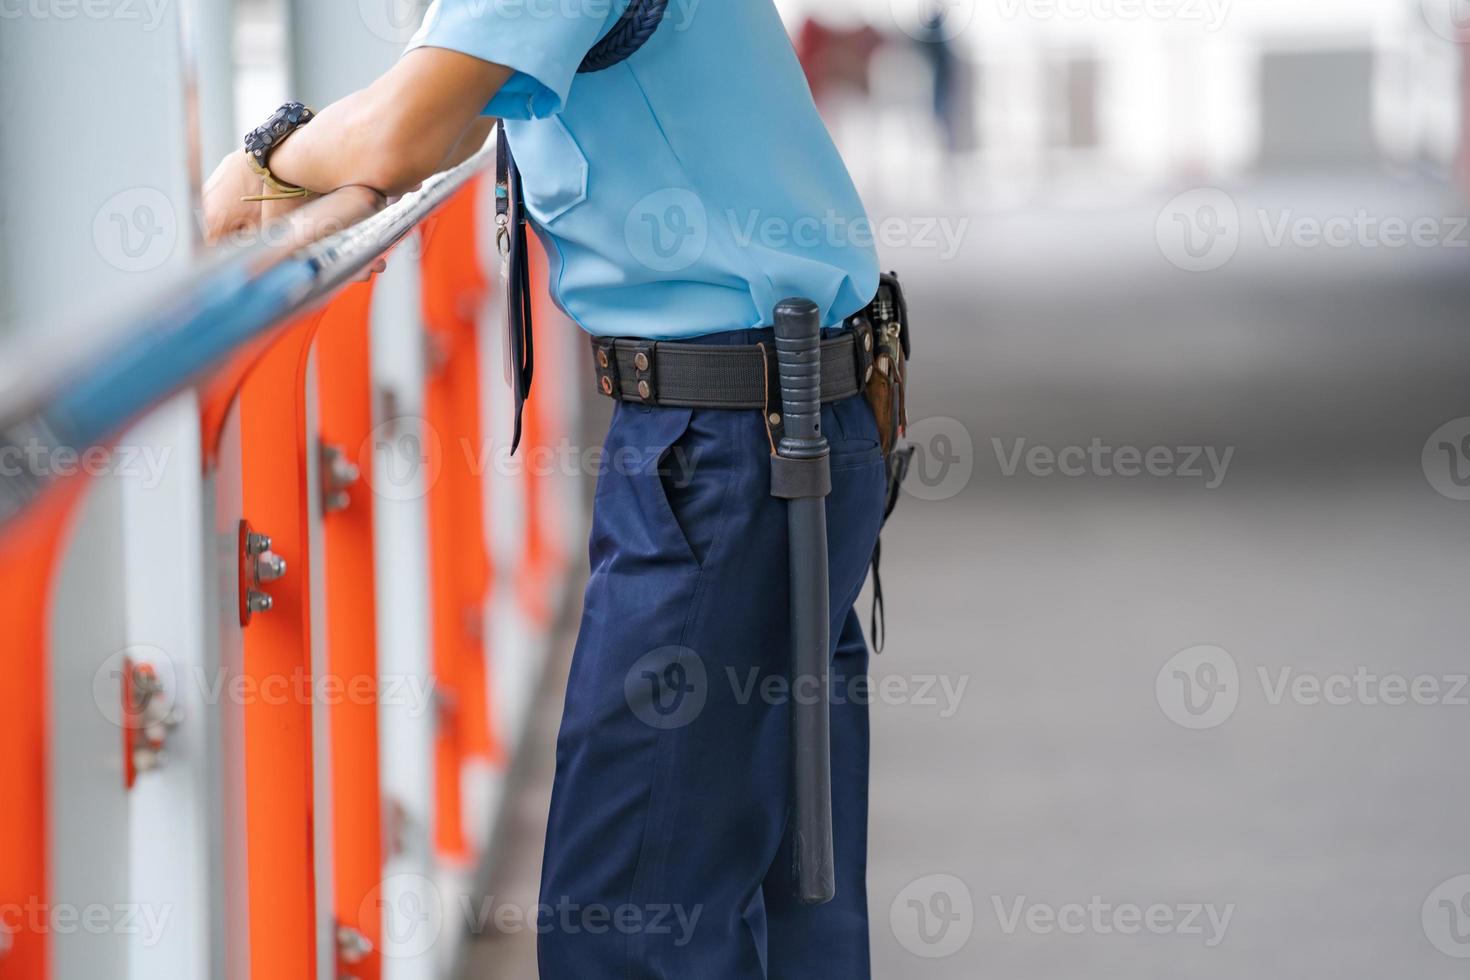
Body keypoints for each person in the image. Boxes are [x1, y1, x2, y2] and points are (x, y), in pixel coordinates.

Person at [204, 1, 897, 976]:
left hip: (735, 440)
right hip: (785, 418)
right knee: (781, 906)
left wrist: (261, 160)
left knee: (624, 918)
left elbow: (406, 131)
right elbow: (452, 95)